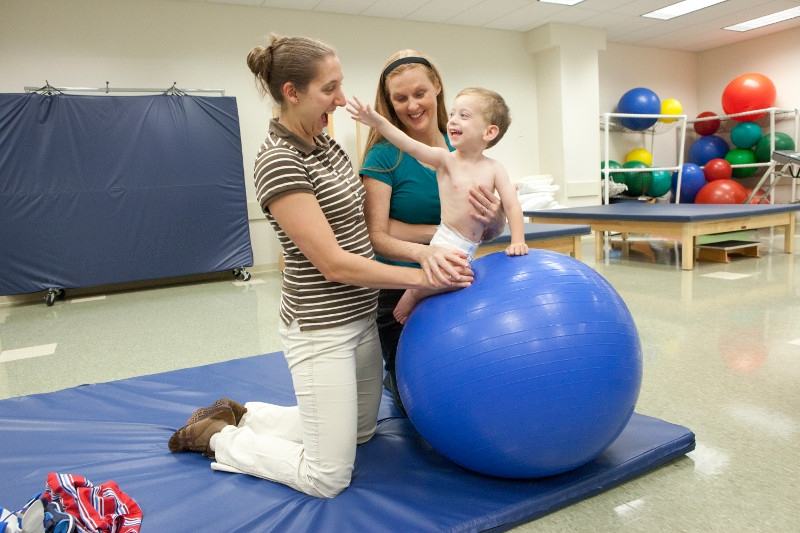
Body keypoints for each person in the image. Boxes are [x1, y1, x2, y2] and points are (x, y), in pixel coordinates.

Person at [167, 35, 471, 499]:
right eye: (330, 88)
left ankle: (245, 413)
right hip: (320, 326)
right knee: (326, 477)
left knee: (362, 432)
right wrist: (423, 275)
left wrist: (433, 244)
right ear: (292, 92)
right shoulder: (279, 161)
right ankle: (216, 437)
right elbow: (332, 263)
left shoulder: (325, 142)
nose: (341, 98)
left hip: (361, 317)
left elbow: (366, 229)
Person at [359, 51, 508, 412]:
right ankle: (392, 375)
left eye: (420, 93)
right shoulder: (384, 156)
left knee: (476, 390)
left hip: (455, 281)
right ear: (389, 102)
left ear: (437, 87)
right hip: (401, 290)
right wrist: (441, 237)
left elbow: (489, 229)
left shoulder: (464, 140)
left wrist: (494, 217)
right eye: (400, 98)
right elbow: (377, 235)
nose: (412, 105)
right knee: (422, 405)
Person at [349, 86, 527, 323]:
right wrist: (378, 122)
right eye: (452, 114)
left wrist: (518, 241)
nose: (452, 120)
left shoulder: (495, 168)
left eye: (464, 116)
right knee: (447, 278)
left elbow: (512, 206)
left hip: (471, 245)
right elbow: (408, 145)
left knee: (457, 283)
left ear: (489, 132)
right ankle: (411, 295)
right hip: (448, 239)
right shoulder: (446, 160)